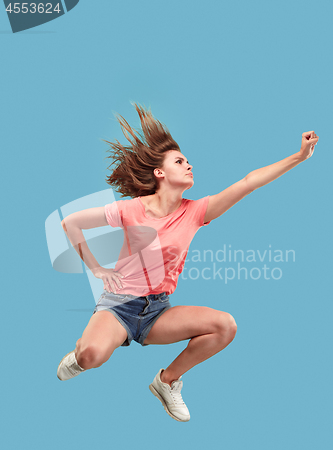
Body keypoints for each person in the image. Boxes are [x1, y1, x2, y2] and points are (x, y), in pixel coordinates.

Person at [57, 103, 318, 422]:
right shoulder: (131, 210)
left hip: (157, 311)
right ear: (160, 173)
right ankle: (82, 354)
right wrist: (97, 269)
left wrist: (299, 156)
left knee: (224, 326)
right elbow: (70, 223)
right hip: (119, 306)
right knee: (91, 355)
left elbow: (249, 182)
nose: (189, 165)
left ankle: (166, 382)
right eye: (180, 161)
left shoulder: (195, 212)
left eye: (189, 161)